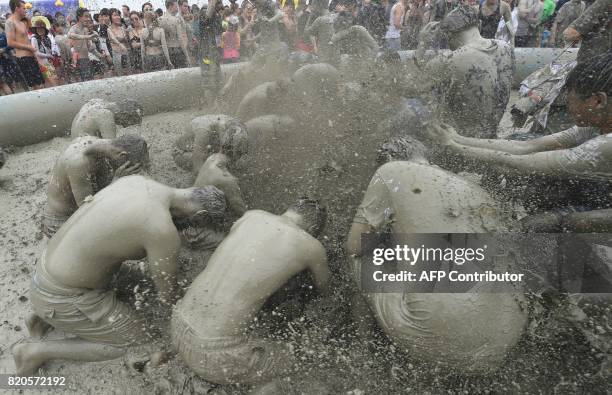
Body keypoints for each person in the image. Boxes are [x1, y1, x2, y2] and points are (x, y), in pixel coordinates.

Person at [345, 136, 528, 373]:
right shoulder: (473, 187)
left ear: (389, 157)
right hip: (504, 341)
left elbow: (354, 246)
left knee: (355, 256)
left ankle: (362, 352)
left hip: (437, 337)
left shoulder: (390, 170)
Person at [13, 176, 226, 375]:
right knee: (138, 339)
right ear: (199, 216)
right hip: (62, 296)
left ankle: (43, 320)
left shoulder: (137, 181)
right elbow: (168, 296)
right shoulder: (161, 230)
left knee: (140, 281)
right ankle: (34, 352)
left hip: (45, 273)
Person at [425, 52, 612, 223]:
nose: (569, 109)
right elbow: (526, 147)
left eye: (571, 101)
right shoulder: (593, 125)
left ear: (597, 101)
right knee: (522, 138)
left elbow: (516, 164)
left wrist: (454, 147)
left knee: (542, 217)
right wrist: (458, 138)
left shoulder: (606, 145)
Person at [171, 199, 329, 386]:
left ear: (290, 210)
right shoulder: (310, 245)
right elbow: (325, 290)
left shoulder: (252, 216)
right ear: (312, 230)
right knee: (299, 360)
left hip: (177, 327)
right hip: (215, 355)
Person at [411, 6, 513, 138]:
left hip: (457, 142)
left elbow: (412, 88)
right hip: (491, 138)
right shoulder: (505, 48)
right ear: (479, 25)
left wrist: (422, 43)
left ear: (448, 35)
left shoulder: (449, 60)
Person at [42, 135, 148, 238]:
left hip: (78, 211)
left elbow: (101, 185)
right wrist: (115, 183)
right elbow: (87, 210)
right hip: (60, 223)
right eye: (129, 167)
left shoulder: (98, 144)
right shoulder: (79, 163)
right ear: (122, 155)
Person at [172, 114, 248, 171]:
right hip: (182, 151)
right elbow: (198, 166)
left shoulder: (236, 125)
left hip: (209, 143)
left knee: (227, 162)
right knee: (213, 165)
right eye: (230, 147)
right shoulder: (203, 131)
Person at [6, 0, 44, 90]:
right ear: (16, 9)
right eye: (24, 8)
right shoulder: (10, 22)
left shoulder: (22, 22)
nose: (26, 10)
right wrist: (28, 47)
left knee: (41, 85)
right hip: (23, 59)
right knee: (34, 88)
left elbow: (33, 33)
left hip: (31, 57)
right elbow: (10, 42)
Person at [70, 98, 144, 139]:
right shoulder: (106, 116)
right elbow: (112, 149)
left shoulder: (96, 101)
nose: (123, 126)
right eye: (125, 123)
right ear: (124, 115)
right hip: (82, 155)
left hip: (73, 145)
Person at [159, 0, 191, 68]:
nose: (177, 7)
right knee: (181, 75)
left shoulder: (159, 20)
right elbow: (180, 39)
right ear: (171, 6)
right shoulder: (176, 20)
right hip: (177, 51)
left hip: (166, 52)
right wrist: (187, 55)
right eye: (176, 5)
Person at [68, 7, 96, 82]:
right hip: (79, 61)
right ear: (79, 17)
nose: (89, 19)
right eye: (86, 16)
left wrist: (94, 43)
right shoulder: (74, 28)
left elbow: (89, 47)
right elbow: (70, 35)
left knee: (91, 82)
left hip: (87, 59)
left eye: (89, 17)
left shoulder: (86, 29)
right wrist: (87, 37)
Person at [30, 16, 58, 87]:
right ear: (35, 29)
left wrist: (50, 57)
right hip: (41, 64)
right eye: (38, 28)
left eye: (42, 28)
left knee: (53, 80)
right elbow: (36, 53)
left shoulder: (47, 38)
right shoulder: (34, 38)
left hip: (49, 63)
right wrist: (48, 56)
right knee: (52, 80)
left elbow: (50, 50)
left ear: (45, 29)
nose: (40, 29)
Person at [108, 8, 131, 76]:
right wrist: (120, 44)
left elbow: (126, 40)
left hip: (125, 54)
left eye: (118, 15)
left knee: (129, 74)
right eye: (115, 15)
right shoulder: (109, 29)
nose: (117, 17)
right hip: (117, 55)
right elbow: (113, 38)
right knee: (120, 76)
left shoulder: (122, 28)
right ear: (110, 17)